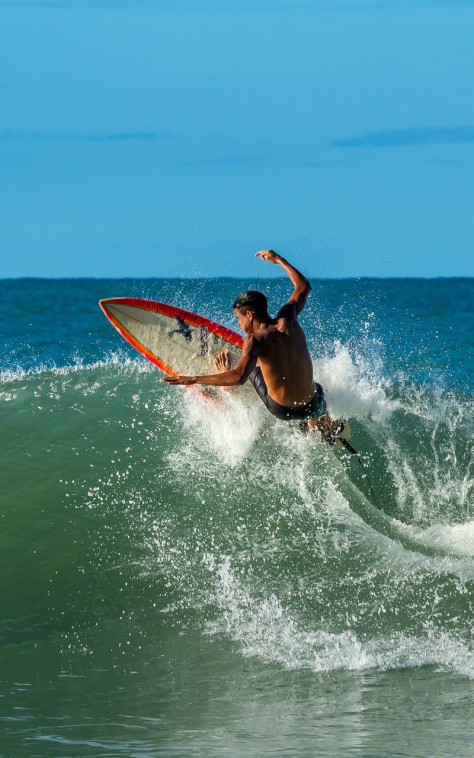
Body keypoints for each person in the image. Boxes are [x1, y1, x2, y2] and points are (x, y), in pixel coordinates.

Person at [163, 250, 347, 443]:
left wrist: (194, 378)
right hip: (312, 405)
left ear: (250, 315)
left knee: (251, 369)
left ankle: (229, 392)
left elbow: (239, 377)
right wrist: (278, 260)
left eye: (239, 319)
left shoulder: (255, 340)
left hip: (281, 409)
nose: (239, 325)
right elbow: (303, 286)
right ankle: (319, 425)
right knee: (317, 388)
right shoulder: (289, 318)